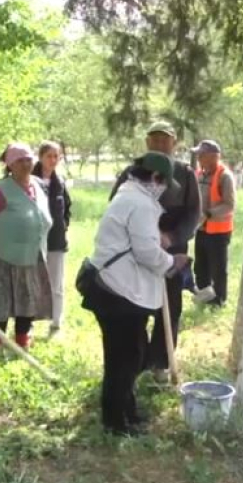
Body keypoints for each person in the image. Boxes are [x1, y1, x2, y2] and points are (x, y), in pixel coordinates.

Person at [84, 153, 189, 436]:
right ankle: (116, 423)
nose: (165, 190)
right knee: (125, 358)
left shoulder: (130, 196)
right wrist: (172, 263)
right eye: (164, 183)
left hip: (117, 288)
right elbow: (146, 252)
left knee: (127, 355)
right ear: (155, 179)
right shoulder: (139, 204)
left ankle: (126, 413)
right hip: (119, 292)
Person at [110, 121, 201, 384]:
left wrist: (171, 238)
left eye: (166, 139)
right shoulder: (132, 172)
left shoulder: (185, 173)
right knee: (135, 302)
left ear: (174, 143)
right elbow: (117, 206)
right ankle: (136, 359)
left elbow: (194, 213)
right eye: (155, 139)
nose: (161, 143)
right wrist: (145, 235)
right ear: (148, 142)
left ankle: (161, 360)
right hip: (137, 249)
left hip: (172, 246)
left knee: (169, 305)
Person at [0, 143, 52, 350]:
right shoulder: (0, 191)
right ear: (10, 165)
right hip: (2, 255)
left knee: (27, 297)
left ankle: (22, 338)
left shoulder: (37, 185)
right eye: (20, 161)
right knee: (1, 298)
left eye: (28, 159)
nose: (26, 164)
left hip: (31, 254)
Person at [32, 141, 72, 336]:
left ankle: (56, 322)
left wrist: (64, 227)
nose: (53, 160)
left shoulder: (60, 182)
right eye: (49, 156)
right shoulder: (29, 180)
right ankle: (27, 324)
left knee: (56, 284)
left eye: (57, 156)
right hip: (32, 241)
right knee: (32, 282)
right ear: (40, 157)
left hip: (56, 241)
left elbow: (67, 209)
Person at [192, 140, 236, 307]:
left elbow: (229, 205)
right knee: (200, 267)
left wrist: (209, 214)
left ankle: (219, 300)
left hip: (219, 230)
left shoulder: (225, 176)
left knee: (218, 268)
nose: (198, 158)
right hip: (202, 229)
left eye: (201, 155)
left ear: (213, 157)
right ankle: (205, 296)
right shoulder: (200, 174)